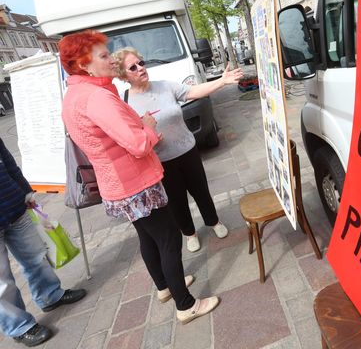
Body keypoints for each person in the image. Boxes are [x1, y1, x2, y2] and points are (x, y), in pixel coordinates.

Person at [59, 30, 218, 325]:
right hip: (134, 182)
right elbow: (138, 144)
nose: (110, 60)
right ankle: (186, 304)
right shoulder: (96, 97)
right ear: (84, 64)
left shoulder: (74, 96)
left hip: (117, 183)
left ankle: (164, 287)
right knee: (169, 238)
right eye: (103, 56)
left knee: (147, 237)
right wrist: (146, 125)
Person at [112, 47, 243, 252]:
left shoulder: (164, 86)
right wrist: (147, 133)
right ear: (123, 75)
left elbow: (192, 92)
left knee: (201, 191)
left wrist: (221, 82)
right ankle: (189, 233)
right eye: (133, 67)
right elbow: (127, 135)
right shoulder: (125, 102)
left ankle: (213, 222)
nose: (140, 68)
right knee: (176, 201)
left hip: (187, 151)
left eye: (141, 63)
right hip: (161, 161)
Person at [0, 137, 87, 347]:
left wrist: (25, 190)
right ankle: (19, 326)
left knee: (37, 257)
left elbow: (8, 161)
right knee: (2, 282)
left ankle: (50, 295)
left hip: (14, 205)